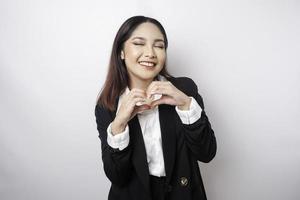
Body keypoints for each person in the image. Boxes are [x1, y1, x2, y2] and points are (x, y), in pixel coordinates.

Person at [94, 15, 217, 200]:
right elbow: (117, 176)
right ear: (121, 52)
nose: (150, 53)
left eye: (159, 46)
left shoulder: (184, 89)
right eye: (139, 43)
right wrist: (119, 123)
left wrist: (185, 104)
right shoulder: (108, 105)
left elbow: (206, 153)